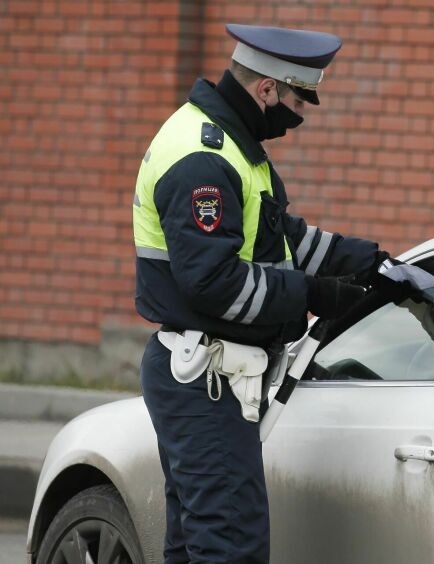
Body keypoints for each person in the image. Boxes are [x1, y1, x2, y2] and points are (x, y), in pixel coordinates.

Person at [132, 24, 388, 564]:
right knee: (230, 547)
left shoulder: (234, 147)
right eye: (296, 101)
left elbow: (279, 238)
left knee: (197, 546)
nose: (297, 117)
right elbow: (214, 282)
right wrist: (314, 295)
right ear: (267, 90)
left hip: (212, 377)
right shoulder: (204, 158)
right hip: (207, 379)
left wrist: (368, 261)